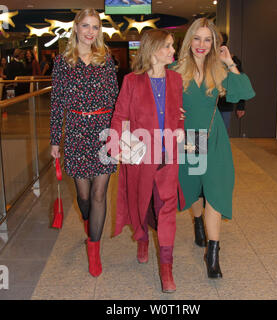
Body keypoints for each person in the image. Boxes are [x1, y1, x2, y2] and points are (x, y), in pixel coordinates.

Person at [172, 18, 255, 278]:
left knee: (216, 191)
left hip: (213, 135)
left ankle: (213, 254)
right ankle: (198, 221)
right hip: (189, 138)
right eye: (197, 38)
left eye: (208, 40)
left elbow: (245, 91)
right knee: (194, 188)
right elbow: (157, 102)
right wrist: (172, 111)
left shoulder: (219, 69)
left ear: (215, 44)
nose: (202, 45)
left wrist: (230, 61)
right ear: (189, 40)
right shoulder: (174, 69)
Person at [108, 29, 184, 293]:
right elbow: (119, 116)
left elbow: (178, 114)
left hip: (168, 157)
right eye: (168, 47)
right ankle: (142, 238)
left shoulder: (176, 79)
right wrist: (116, 144)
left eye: (172, 46)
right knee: (141, 202)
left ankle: (166, 268)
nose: (173, 51)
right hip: (140, 156)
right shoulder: (132, 81)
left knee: (166, 209)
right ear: (153, 51)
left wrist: (181, 127)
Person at [50, 9, 119, 278]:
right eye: (86, 26)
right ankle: (89, 222)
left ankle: (94, 249)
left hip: (103, 132)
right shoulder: (62, 62)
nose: (91, 32)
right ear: (76, 28)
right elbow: (57, 103)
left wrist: (119, 133)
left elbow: (115, 100)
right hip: (77, 131)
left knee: (100, 194)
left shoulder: (106, 59)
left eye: (96, 27)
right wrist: (55, 139)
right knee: (85, 197)